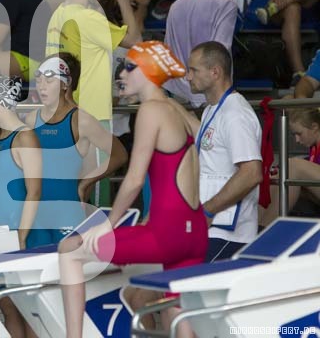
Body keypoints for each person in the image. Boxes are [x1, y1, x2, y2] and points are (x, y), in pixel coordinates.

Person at [58, 41, 206, 338]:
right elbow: (198, 148)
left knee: (69, 250)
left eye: (129, 67)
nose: (122, 74)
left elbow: (135, 179)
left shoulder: (150, 110)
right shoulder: (178, 113)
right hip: (195, 233)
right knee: (175, 308)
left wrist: (107, 225)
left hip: (166, 235)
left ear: (149, 72)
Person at [46, 0, 140, 205]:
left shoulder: (58, 14)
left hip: (63, 112)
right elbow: (135, 39)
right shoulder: (88, 17)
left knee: (71, 191)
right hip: (92, 113)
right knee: (92, 198)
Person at [25, 53, 128, 245]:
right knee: (33, 260)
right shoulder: (32, 119)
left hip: (68, 211)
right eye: (39, 80)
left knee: (67, 261)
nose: (42, 86)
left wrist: (85, 184)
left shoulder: (81, 121)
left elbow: (119, 155)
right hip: (35, 211)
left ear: (66, 83)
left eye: (49, 79)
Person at [177, 41, 262, 261]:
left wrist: (208, 210)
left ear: (215, 72)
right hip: (213, 227)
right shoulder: (213, 109)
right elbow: (208, 144)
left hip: (228, 232)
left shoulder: (235, 114)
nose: (188, 76)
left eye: (193, 70)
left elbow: (252, 173)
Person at [0, 75, 41, 337]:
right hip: (1, 233)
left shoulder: (24, 137)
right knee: (8, 306)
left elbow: (34, 190)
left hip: (20, 234)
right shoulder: (2, 138)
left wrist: (22, 236)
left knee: (30, 310)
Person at [164, 0, 237, 107]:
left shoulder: (176, 5)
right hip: (209, 88)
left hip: (177, 89)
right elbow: (221, 49)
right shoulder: (226, 5)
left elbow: (168, 47)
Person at [259, 108, 320, 226]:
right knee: (276, 176)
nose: (297, 140)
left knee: (292, 166)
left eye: (299, 134)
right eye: (294, 135)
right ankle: (257, 226)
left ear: (314, 127)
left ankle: (265, 228)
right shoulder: (314, 148)